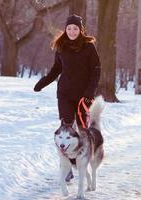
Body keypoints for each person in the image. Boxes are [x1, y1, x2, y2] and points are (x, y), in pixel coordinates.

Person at [33, 14, 101, 181]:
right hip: (64, 94)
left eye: (75, 28)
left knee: (82, 131)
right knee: (66, 130)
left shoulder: (88, 47)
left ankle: (82, 162)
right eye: (69, 28)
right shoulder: (61, 47)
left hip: (83, 96)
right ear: (66, 29)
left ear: (81, 30)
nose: (71, 31)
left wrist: (89, 93)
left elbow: (96, 71)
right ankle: (68, 167)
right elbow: (56, 70)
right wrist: (42, 82)